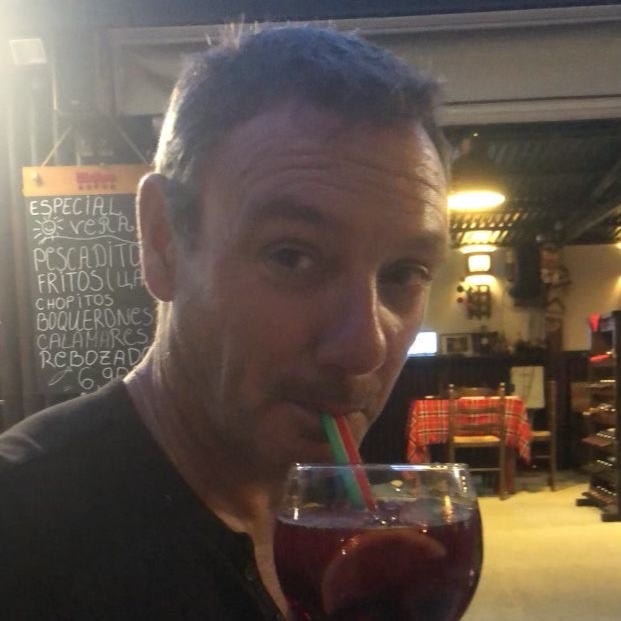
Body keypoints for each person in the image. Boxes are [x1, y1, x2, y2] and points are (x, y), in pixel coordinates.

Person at [0, 25, 449, 620]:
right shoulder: (21, 534)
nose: (365, 347)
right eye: (292, 256)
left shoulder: (338, 527)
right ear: (163, 241)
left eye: (403, 273)